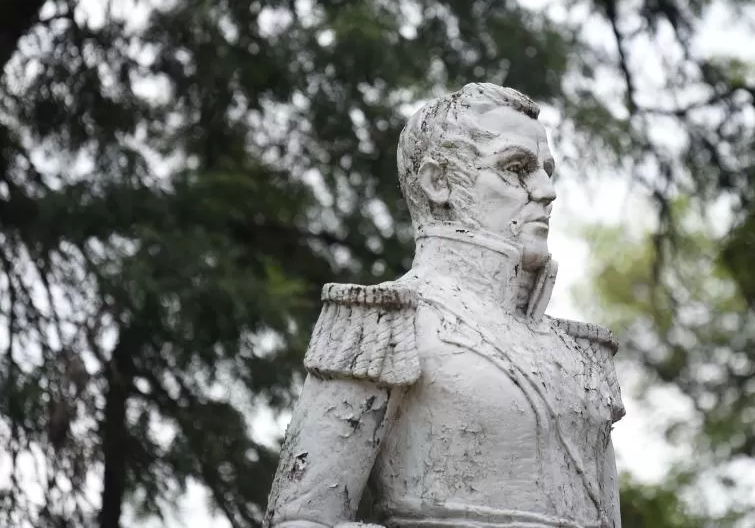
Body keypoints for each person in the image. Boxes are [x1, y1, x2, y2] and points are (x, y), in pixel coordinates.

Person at [264, 83, 624, 528]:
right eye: (517, 167)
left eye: (547, 171)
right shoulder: (382, 322)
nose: (546, 191)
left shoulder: (578, 354)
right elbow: (301, 520)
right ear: (438, 183)